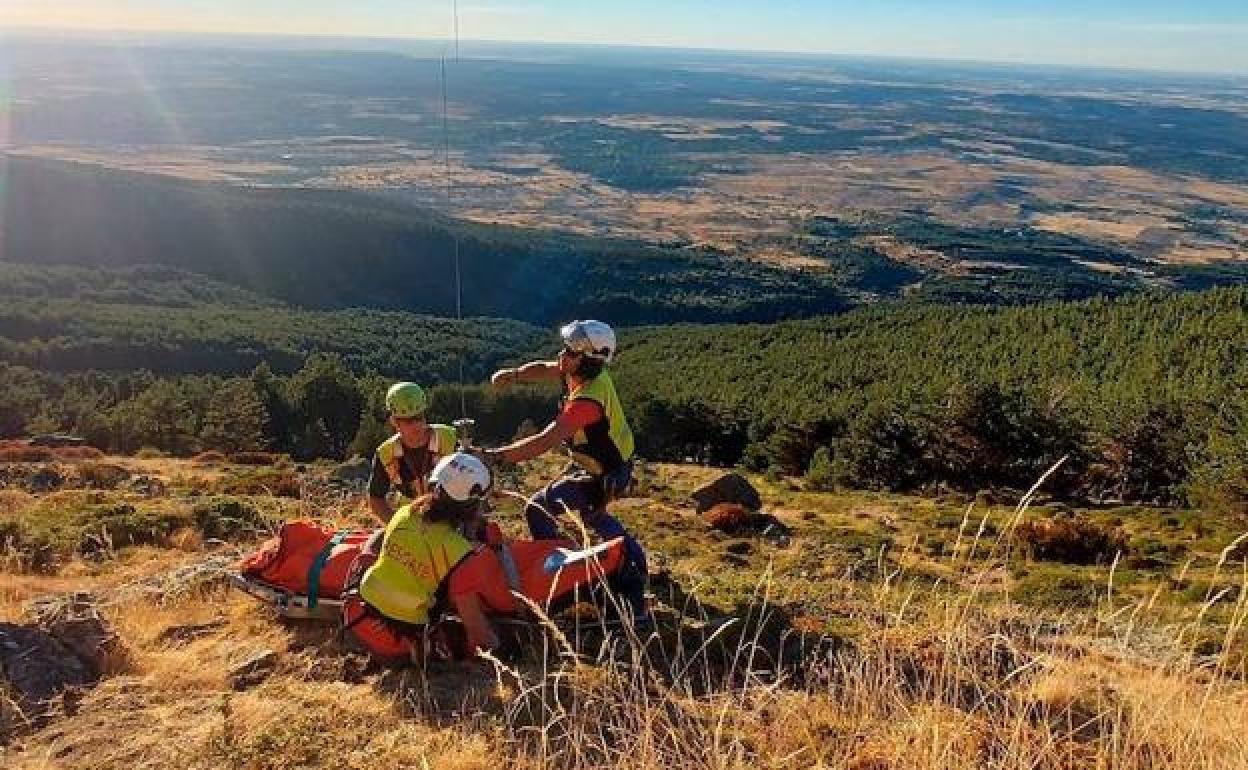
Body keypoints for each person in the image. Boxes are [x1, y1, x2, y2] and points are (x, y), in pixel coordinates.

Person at [484, 319, 648, 619]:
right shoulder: (578, 372)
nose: (562, 357)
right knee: (560, 511)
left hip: (607, 473)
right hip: (597, 466)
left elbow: (546, 440)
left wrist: (494, 457)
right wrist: (515, 375)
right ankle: (571, 563)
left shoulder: (588, 400)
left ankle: (615, 571)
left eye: (570, 352)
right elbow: (545, 368)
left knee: (559, 511)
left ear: (587, 360)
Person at [343, 452, 496, 663]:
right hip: (399, 643)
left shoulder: (405, 513)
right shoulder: (458, 552)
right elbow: (477, 629)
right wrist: (504, 652)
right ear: (471, 505)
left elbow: (375, 545)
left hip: (357, 619)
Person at [367, 382, 459, 524]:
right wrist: (397, 527)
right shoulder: (386, 453)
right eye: (409, 421)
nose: (417, 425)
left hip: (451, 516)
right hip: (411, 518)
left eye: (419, 417)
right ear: (394, 422)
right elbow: (375, 497)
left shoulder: (449, 437)